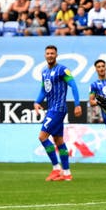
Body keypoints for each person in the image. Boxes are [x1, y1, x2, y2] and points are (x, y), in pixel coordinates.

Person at [34, 45, 82, 181]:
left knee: (42, 137)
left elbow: (73, 85)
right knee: (58, 140)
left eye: (52, 53)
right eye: (48, 53)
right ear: (45, 55)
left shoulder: (62, 70)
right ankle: (66, 173)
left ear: (56, 55)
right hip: (51, 108)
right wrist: (36, 102)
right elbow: (44, 90)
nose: (50, 55)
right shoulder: (44, 72)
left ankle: (56, 169)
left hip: (58, 108)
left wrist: (77, 104)